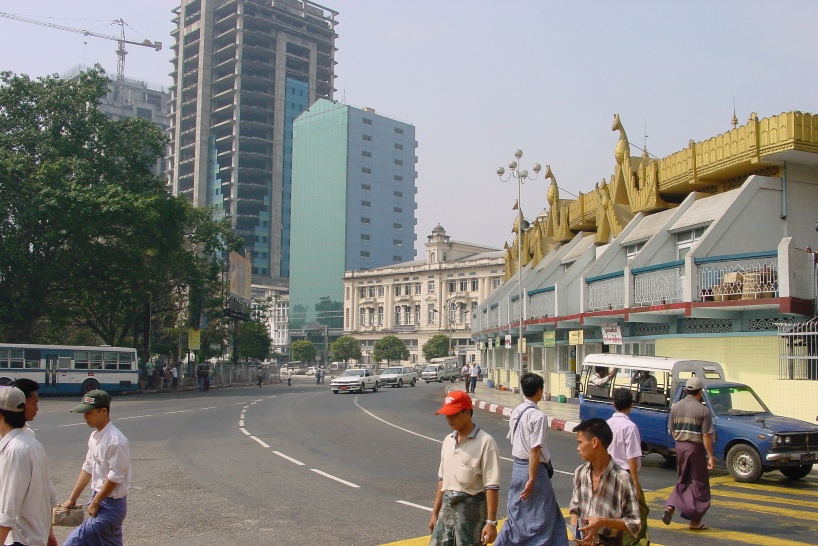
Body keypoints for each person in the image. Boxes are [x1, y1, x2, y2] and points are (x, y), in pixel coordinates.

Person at [494, 373, 567, 546]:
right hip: (534, 471)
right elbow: (535, 449)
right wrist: (532, 478)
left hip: (517, 468)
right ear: (540, 391)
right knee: (544, 517)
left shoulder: (516, 411)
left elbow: (514, 439)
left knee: (517, 513)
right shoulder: (539, 417)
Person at [429, 390, 500, 546]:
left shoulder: (486, 443)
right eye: (447, 415)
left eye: (453, 414)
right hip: (447, 510)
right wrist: (435, 513)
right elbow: (442, 481)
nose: (449, 419)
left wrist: (491, 522)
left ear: (467, 412)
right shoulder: (448, 441)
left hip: (472, 512)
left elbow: (492, 486)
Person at [62, 390, 131, 546]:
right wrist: (72, 498)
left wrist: (96, 502)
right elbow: (87, 468)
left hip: (111, 505)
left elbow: (115, 477)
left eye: (89, 413)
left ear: (104, 411)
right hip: (99, 499)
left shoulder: (116, 440)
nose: (85, 417)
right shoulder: (95, 437)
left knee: (74, 542)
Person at [0, 386, 57, 546]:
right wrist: (48, 532)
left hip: (20, 540)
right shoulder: (32, 443)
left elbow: (7, 511)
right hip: (34, 538)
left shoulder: (15, 451)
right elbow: (49, 495)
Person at [569, 418, 640, 546]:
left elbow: (635, 524)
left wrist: (602, 522)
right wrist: (578, 535)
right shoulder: (580, 473)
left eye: (580, 443)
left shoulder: (622, 479)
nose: (578, 448)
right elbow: (575, 511)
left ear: (594, 442)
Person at [663, 376, 714, 531]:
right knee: (699, 484)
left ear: (686, 391)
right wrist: (710, 456)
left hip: (680, 447)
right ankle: (694, 521)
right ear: (700, 392)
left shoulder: (676, 407)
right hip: (695, 449)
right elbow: (706, 435)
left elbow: (672, 429)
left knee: (683, 479)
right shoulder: (703, 410)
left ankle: (671, 506)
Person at [607, 389, 650, 546]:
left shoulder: (607, 425)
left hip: (608, 473)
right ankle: (633, 542)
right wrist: (635, 484)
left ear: (614, 404)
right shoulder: (630, 427)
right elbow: (632, 456)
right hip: (625, 474)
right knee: (640, 511)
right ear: (631, 405)